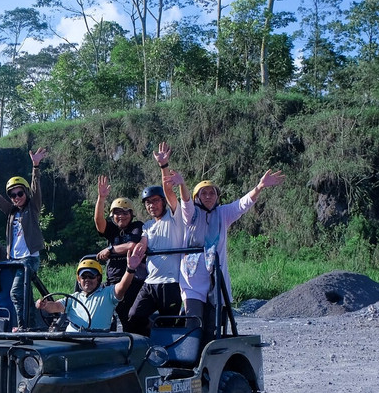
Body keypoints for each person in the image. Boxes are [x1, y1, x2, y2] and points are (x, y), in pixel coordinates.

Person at [174, 166, 286, 337]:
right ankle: (190, 358)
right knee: (193, 323)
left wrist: (260, 187)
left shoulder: (222, 213)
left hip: (216, 281)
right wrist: (182, 184)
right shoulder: (191, 215)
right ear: (197, 197)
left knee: (214, 327)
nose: (208, 197)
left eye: (212, 193)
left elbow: (242, 204)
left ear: (217, 196)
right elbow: (186, 203)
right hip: (192, 282)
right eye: (204, 193)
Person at [0, 147, 47, 329]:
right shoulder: (12, 212)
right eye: (13, 195)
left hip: (28, 259)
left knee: (15, 292)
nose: (16, 197)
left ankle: (22, 328)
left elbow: (37, 191)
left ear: (26, 193)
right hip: (13, 260)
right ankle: (32, 325)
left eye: (20, 193)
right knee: (23, 294)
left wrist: (35, 167)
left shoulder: (33, 208)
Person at [126, 142, 187, 335]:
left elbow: (169, 190)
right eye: (147, 203)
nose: (151, 205)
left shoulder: (175, 217)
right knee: (134, 317)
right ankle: (147, 350)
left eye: (155, 201)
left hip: (170, 283)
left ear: (162, 202)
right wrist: (136, 255)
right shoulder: (147, 226)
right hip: (150, 283)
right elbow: (142, 244)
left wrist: (163, 166)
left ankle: (170, 359)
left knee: (170, 325)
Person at [37, 242, 148, 332]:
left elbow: (122, 287)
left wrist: (130, 269)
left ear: (98, 278)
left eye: (91, 276)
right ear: (78, 279)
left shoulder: (108, 294)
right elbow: (55, 307)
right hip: (72, 341)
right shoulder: (73, 298)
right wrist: (44, 305)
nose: (87, 280)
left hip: (98, 343)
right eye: (83, 277)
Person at [93, 176, 145, 330]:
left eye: (125, 212)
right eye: (117, 213)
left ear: (131, 214)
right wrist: (101, 198)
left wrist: (110, 250)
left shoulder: (137, 226)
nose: (121, 215)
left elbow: (132, 245)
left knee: (128, 317)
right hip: (112, 280)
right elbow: (98, 221)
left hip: (132, 281)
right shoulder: (112, 229)